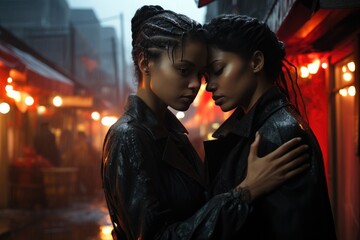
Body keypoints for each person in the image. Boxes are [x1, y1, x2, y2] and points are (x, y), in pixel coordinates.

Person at [101, 6, 309, 240]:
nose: (196, 85)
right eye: (183, 70)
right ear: (145, 63)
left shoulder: (171, 133)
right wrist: (245, 192)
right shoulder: (129, 136)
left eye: (200, 74)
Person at [203, 14, 336, 239]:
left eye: (218, 70)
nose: (209, 86)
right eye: (207, 76)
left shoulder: (279, 134)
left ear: (256, 62)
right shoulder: (257, 128)